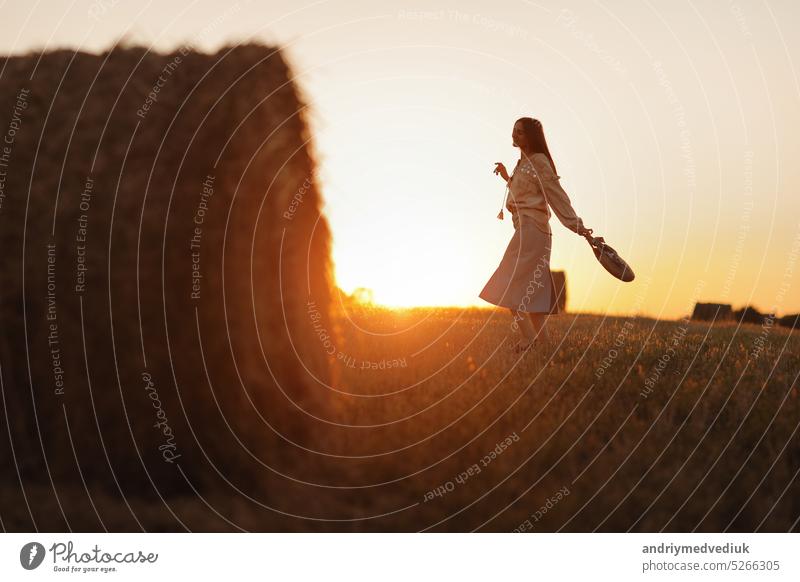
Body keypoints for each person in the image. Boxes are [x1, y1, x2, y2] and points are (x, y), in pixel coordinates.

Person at [479, 117, 593, 353]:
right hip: (531, 230)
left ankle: (527, 340)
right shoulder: (523, 163)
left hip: (532, 231)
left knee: (508, 285)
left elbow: (555, 194)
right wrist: (506, 177)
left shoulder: (539, 161)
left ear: (530, 136)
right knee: (532, 291)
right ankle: (543, 344)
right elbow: (525, 192)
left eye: (520, 132)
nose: (514, 135)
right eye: (513, 131)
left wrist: (577, 226)